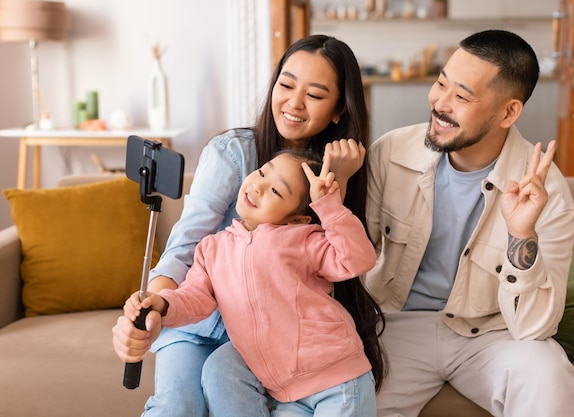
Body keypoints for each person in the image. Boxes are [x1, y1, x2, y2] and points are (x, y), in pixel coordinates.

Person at [111, 34, 386, 416]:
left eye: (316, 94)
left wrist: (333, 190)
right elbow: (184, 249)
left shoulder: (336, 175)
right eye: (286, 85)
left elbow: (345, 261)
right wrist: (153, 311)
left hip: (271, 340)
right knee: (178, 407)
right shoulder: (233, 154)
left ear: (339, 109)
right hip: (198, 323)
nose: (293, 102)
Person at [365, 29, 574, 416]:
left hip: (492, 333)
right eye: (440, 83)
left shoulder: (547, 194)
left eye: (462, 96)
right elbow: (348, 260)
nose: (439, 103)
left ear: (509, 112)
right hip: (396, 327)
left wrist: (521, 234)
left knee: (549, 377)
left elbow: (533, 328)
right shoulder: (390, 153)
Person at [123, 149, 380, 416]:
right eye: (261, 173)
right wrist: (163, 303)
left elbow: (357, 260)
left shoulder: (303, 239)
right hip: (288, 396)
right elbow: (194, 298)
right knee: (219, 367)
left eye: (276, 191)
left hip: (337, 380)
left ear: (296, 218)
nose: (258, 186)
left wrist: (329, 207)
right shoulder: (213, 248)